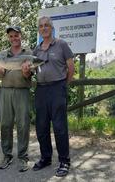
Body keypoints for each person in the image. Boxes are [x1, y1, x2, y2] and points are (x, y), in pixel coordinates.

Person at [0, 26, 32, 172]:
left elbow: (28, 76)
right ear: (8, 38)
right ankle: (7, 155)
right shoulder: (3, 54)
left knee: (23, 125)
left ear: (21, 36)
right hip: (5, 91)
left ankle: (23, 157)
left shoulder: (28, 53)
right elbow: (2, 73)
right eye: (11, 36)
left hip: (22, 91)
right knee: (5, 124)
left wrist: (26, 71)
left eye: (16, 35)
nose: (14, 38)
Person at [32, 16, 75, 177]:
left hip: (58, 88)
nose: (44, 28)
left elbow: (71, 68)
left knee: (59, 127)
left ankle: (64, 161)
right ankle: (46, 157)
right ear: (39, 30)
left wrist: (64, 85)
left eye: (47, 25)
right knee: (41, 127)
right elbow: (31, 71)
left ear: (52, 28)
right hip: (41, 90)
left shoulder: (61, 44)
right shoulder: (36, 50)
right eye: (41, 26)